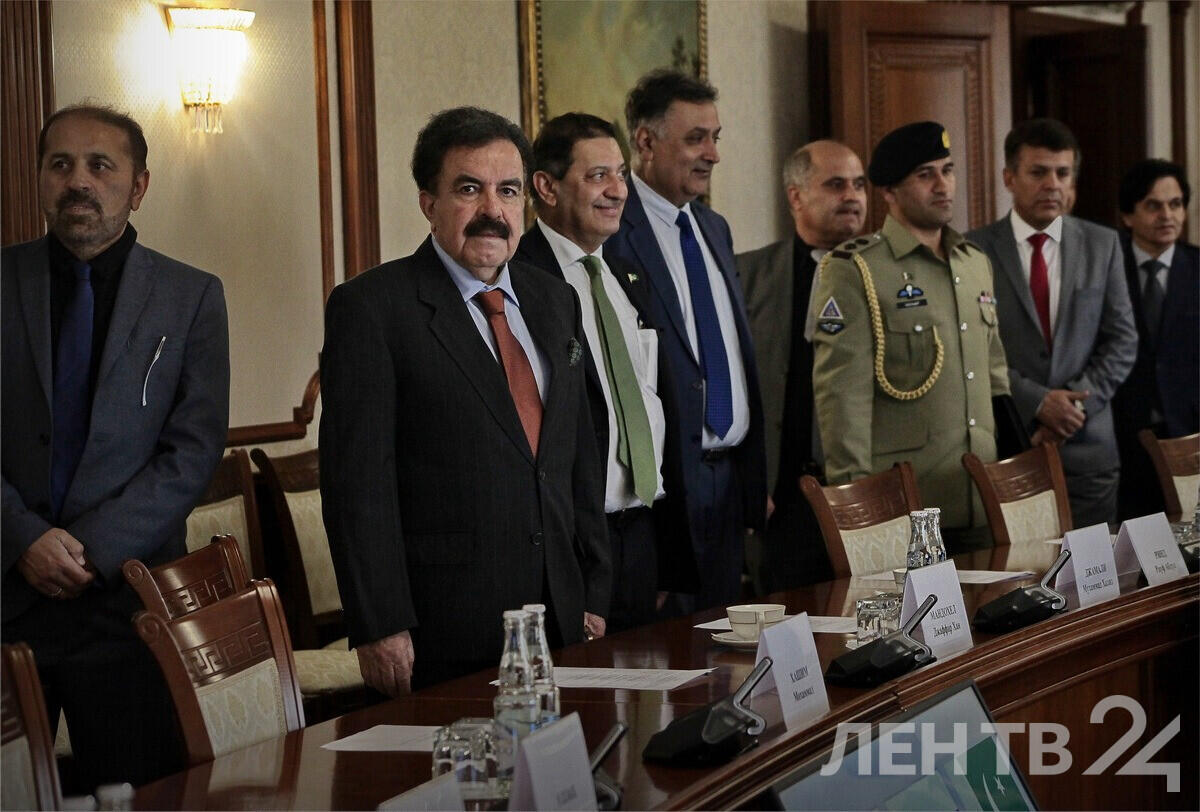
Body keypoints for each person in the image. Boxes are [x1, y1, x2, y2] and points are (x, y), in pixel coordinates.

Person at [319, 107, 611, 694]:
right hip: (444, 625)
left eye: (508, 191)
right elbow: (358, 484)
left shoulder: (555, 300)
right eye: (469, 189)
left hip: (560, 614)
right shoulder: (372, 309)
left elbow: (578, 452)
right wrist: (381, 623)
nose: (492, 211)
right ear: (428, 203)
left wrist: (591, 588)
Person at [1, 104, 230, 787]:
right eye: (61, 164)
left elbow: (192, 452)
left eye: (100, 165)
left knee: (139, 794)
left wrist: (88, 551)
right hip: (7, 590)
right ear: (40, 179)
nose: (79, 181)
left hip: (130, 602)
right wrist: (25, 538)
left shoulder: (192, 297)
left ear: (139, 186)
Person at [605, 70, 767, 613]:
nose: (712, 154)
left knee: (727, 644)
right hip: (665, 490)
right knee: (668, 650)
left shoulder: (714, 228)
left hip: (728, 482)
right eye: (696, 138)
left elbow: (734, 354)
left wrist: (753, 482)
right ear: (646, 141)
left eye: (715, 138)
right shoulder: (612, 233)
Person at [812, 121, 1009, 552]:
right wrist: (857, 507)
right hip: (907, 508)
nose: (943, 185)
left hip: (983, 500)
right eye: (925, 175)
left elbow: (995, 378)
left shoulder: (973, 262)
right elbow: (842, 399)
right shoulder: (857, 269)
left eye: (948, 170)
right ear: (889, 191)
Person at [513, 113, 670, 632]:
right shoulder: (518, 280)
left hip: (640, 531)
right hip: (573, 543)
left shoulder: (624, 272)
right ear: (546, 187)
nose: (618, 190)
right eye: (598, 175)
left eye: (621, 174)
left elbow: (648, 396)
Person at [967, 118, 1137, 528]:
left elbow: (1122, 341)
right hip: (1011, 445)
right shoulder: (972, 250)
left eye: (1062, 173)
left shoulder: (1103, 244)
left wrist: (1073, 409)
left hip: (1088, 450)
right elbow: (971, 349)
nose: (1052, 185)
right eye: (1039, 172)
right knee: (1020, 567)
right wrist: (1039, 403)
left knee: (1096, 568)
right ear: (1009, 177)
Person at [738, 140, 866, 590]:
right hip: (781, 498)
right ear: (796, 196)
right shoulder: (747, 274)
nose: (852, 196)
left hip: (863, 493)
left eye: (858, 185)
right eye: (835, 185)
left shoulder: (889, 275)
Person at [1112, 159, 1198, 520]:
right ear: (1128, 215)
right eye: (1153, 205)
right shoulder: (1106, 267)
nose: (1167, 215)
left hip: (1190, 435)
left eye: (1175, 204)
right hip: (1122, 437)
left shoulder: (1196, 267)